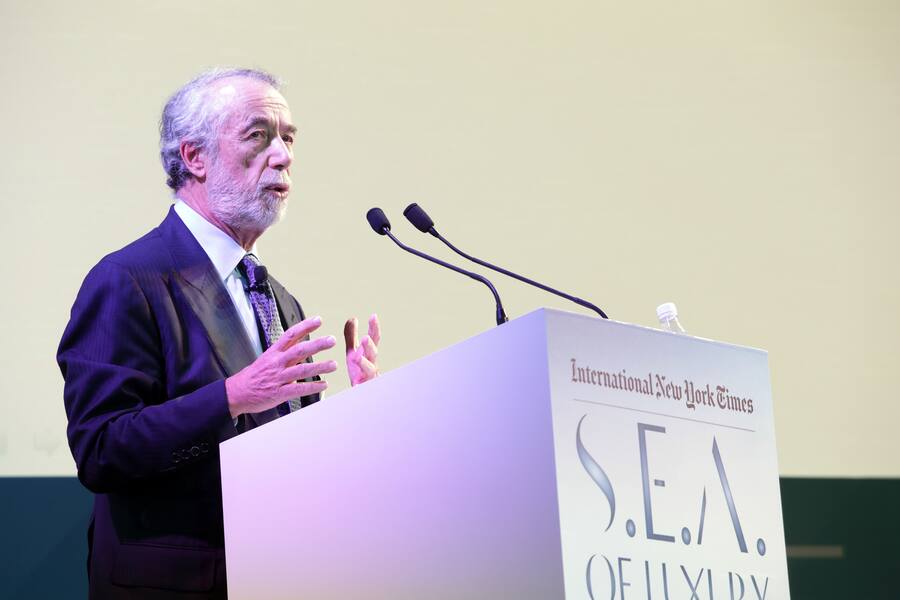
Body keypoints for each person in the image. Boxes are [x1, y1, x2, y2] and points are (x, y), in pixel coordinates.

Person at [57, 67, 380, 599]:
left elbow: (287, 455)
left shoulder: (277, 296)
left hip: (275, 577)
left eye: (288, 138)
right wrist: (232, 396)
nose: (283, 155)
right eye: (258, 136)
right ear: (194, 158)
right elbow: (101, 449)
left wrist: (358, 416)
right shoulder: (126, 280)